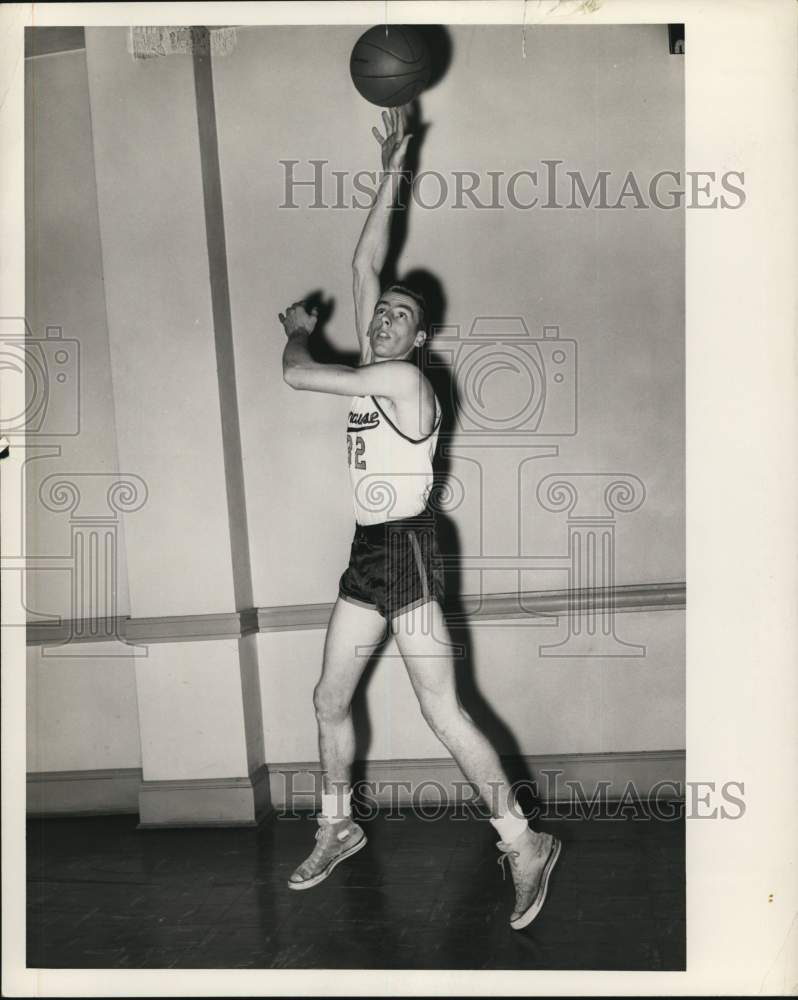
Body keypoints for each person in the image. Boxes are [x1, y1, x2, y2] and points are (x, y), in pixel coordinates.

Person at [278, 106, 561, 930]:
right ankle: (338, 825)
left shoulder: (404, 383)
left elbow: (297, 376)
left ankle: (522, 840)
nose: (381, 317)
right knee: (330, 698)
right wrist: (399, 158)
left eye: (398, 315)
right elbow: (366, 256)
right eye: (379, 314)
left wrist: (299, 335)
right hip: (369, 551)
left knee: (443, 711)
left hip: (406, 550)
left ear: (420, 335)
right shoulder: (378, 362)